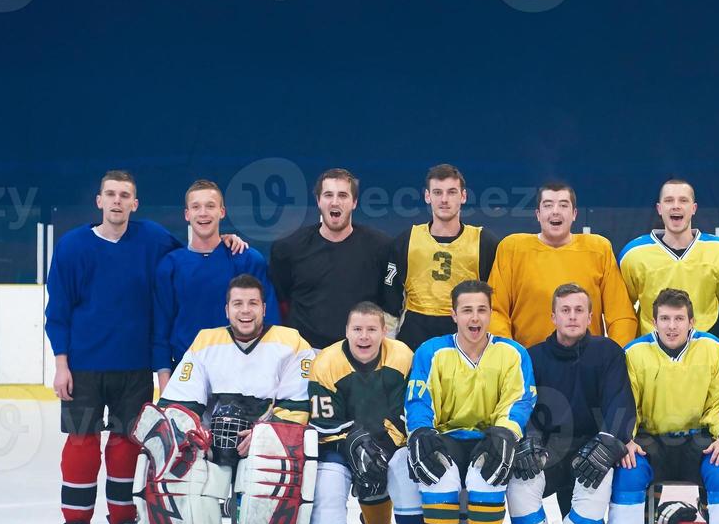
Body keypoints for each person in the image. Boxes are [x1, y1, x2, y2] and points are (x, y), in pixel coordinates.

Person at [136, 274, 314, 524]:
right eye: (237, 304)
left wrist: (262, 434)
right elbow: (178, 404)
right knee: (168, 460)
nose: (245, 311)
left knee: (271, 465)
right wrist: (195, 436)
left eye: (252, 304)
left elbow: (298, 406)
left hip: (264, 440)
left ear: (264, 308)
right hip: (213, 446)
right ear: (226, 309)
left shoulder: (291, 342)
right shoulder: (206, 342)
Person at [46, 170, 181, 524]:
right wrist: (61, 363)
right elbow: (58, 309)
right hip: (84, 368)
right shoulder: (72, 246)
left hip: (134, 368)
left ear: (135, 204)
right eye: (111, 194)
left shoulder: (153, 239)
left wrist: (230, 245)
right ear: (99, 201)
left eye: (126, 195)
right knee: (82, 446)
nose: (118, 201)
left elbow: (191, 253)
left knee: (124, 449)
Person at [399, 280, 536, 524]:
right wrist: (420, 432)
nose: (475, 318)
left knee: (484, 478)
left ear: (491, 313)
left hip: (489, 437)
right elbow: (419, 399)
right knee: (439, 476)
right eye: (467, 310)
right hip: (446, 437)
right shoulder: (431, 351)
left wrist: (506, 433)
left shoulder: (512, 353)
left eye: (482, 310)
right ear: (453, 314)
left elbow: (520, 401)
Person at [607, 288, 719, 524]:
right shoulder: (634, 353)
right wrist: (625, 438)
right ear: (653, 322)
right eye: (665, 319)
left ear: (691, 321)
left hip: (698, 438)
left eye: (678, 319)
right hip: (650, 440)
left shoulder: (712, 349)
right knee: (627, 475)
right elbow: (625, 404)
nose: (671, 326)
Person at [505, 283, 636, 524]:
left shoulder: (608, 353)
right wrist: (528, 438)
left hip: (592, 449)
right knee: (520, 485)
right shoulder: (532, 357)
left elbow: (621, 404)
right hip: (548, 450)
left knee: (596, 486)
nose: (573, 316)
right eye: (565, 310)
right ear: (553, 316)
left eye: (579, 310)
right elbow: (523, 403)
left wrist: (609, 442)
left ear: (591, 316)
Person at [305, 302, 414, 524]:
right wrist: (354, 443)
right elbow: (322, 423)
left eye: (371, 329)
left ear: (384, 331)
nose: (364, 337)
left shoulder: (403, 356)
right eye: (357, 329)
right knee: (328, 483)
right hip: (339, 444)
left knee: (404, 472)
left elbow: (406, 413)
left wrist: (380, 447)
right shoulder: (326, 362)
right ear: (346, 332)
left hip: (387, 442)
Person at [154, 179, 279, 390]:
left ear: (222, 212)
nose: (203, 213)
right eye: (196, 207)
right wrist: (166, 387)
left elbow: (271, 322)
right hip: (187, 375)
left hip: (245, 376)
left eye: (210, 206)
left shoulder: (247, 259)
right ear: (187, 214)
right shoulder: (170, 265)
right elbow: (161, 328)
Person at [488, 181, 637, 347]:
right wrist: (511, 357)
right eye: (548, 205)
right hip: (529, 363)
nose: (555, 211)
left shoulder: (599, 249)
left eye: (563, 205)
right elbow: (495, 312)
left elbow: (621, 316)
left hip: (587, 365)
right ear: (538, 214)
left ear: (574, 214)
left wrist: (613, 357)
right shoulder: (512, 249)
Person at [270, 167, 392, 351]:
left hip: (359, 353)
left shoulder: (380, 247)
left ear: (354, 202)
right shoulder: (288, 249)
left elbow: (388, 302)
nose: (335, 202)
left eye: (343, 195)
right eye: (328, 195)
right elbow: (281, 301)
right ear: (319, 201)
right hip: (305, 353)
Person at [380, 163, 499, 349]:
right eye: (437, 192)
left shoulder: (483, 242)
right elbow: (391, 300)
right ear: (427, 196)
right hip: (413, 338)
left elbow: (495, 299)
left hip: (466, 337)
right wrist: (389, 346)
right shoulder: (407, 240)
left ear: (463, 196)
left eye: (452, 192)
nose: (444, 199)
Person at [619, 177, 719, 335]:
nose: (676, 206)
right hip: (651, 350)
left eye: (683, 200)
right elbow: (625, 308)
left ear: (694, 208)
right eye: (669, 200)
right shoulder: (632, 254)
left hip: (703, 348)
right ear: (659, 208)